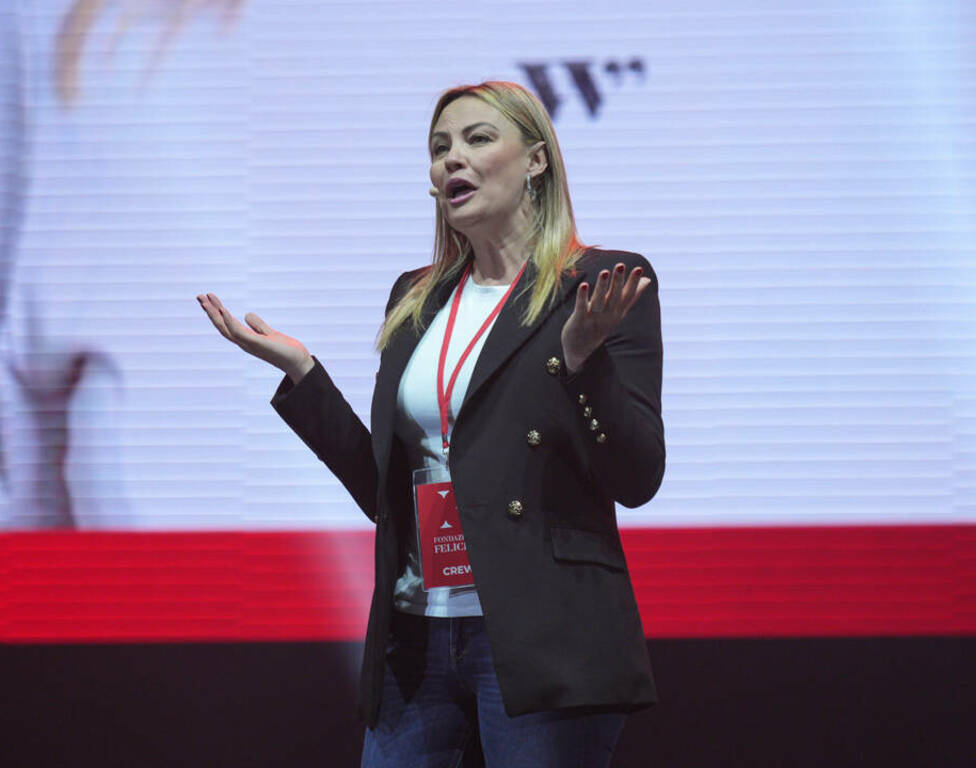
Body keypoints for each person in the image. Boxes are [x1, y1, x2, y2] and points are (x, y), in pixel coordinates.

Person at [197, 80, 664, 768]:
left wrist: (583, 361)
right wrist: (304, 377)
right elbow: (382, 494)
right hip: (416, 639)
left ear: (536, 160)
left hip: (542, 637)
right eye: (439, 147)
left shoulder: (598, 283)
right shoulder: (415, 298)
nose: (452, 160)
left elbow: (638, 476)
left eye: (478, 140)